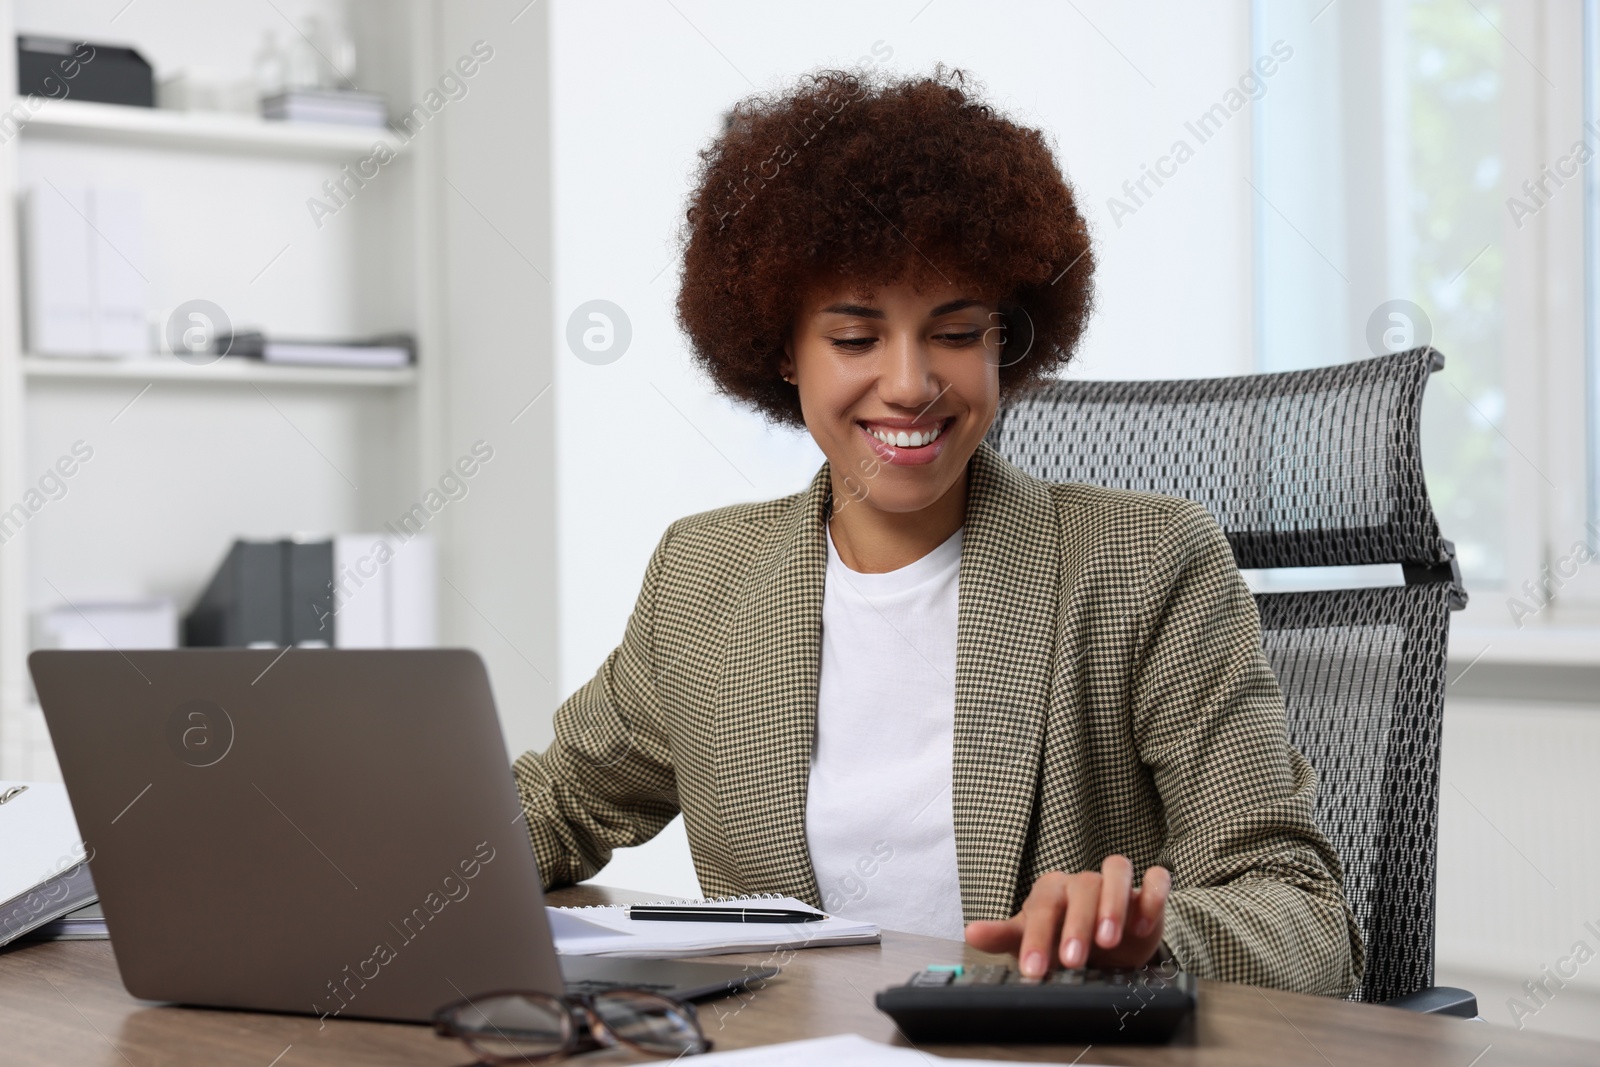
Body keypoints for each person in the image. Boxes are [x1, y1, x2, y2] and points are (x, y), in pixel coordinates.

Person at [513, 66, 1363, 996]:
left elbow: (1303, 912)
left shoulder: (1147, 566)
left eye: (955, 332)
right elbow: (557, 804)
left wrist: (1150, 943)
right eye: (854, 338)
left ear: (1007, 340)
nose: (912, 382)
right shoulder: (706, 575)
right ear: (781, 353)